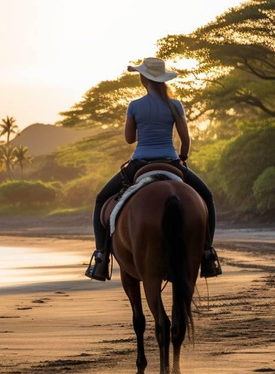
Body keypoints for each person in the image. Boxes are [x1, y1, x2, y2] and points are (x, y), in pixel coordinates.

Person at [85, 57, 221, 281]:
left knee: (101, 199)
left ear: (143, 79)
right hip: (171, 162)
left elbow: (129, 139)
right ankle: (207, 253)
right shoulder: (175, 105)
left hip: (140, 164)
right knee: (206, 196)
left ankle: (101, 257)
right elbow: (185, 140)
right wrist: (182, 158)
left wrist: (144, 127)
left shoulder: (135, 106)